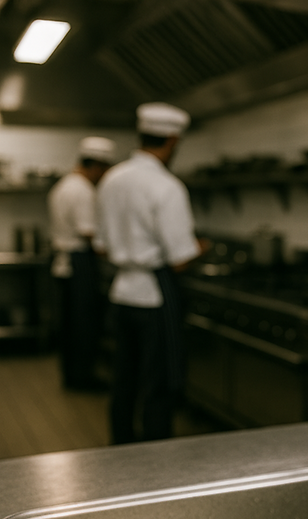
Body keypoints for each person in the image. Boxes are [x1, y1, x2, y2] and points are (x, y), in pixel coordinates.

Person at [97, 102, 207, 444]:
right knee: (158, 382)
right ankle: (155, 458)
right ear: (173, 141)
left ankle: (120, 445)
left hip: (121, 292)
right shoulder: (167, 187)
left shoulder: (111, 179)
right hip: (153, 297)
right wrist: (201, 246)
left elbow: (101, 245)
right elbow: (180, 259)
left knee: (124, 378)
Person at [48, 136, 116, 390]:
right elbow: (90, 234)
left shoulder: (63, 185)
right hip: (78, 262)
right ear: (97, 165)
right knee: (84, 324)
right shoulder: (83, 191)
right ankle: (82, 378)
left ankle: (71, 375)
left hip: (63, 262)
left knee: (69, 324)